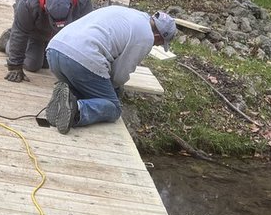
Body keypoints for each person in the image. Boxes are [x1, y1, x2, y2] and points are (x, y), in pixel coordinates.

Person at [44, 7, 178, 133]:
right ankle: (77, 110)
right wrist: (114, 90)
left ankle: (66, 100)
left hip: (54, 51)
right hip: (81, 59)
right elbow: (120, 74)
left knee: (86, 89)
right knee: (113, 107)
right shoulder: (146, 36)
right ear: (159, 36)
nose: (156, 45)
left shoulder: (133, 15)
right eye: (159, 44)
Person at [0, 0, 92, 82]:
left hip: (62, 31)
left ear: (71, 1)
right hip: (34, 27)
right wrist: (15, 66)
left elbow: (85, 34)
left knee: (50, 63)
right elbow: (20, 32)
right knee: (32, 64)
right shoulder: (29, 2)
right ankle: (7, 41)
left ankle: (46, 43)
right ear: (46, 7)